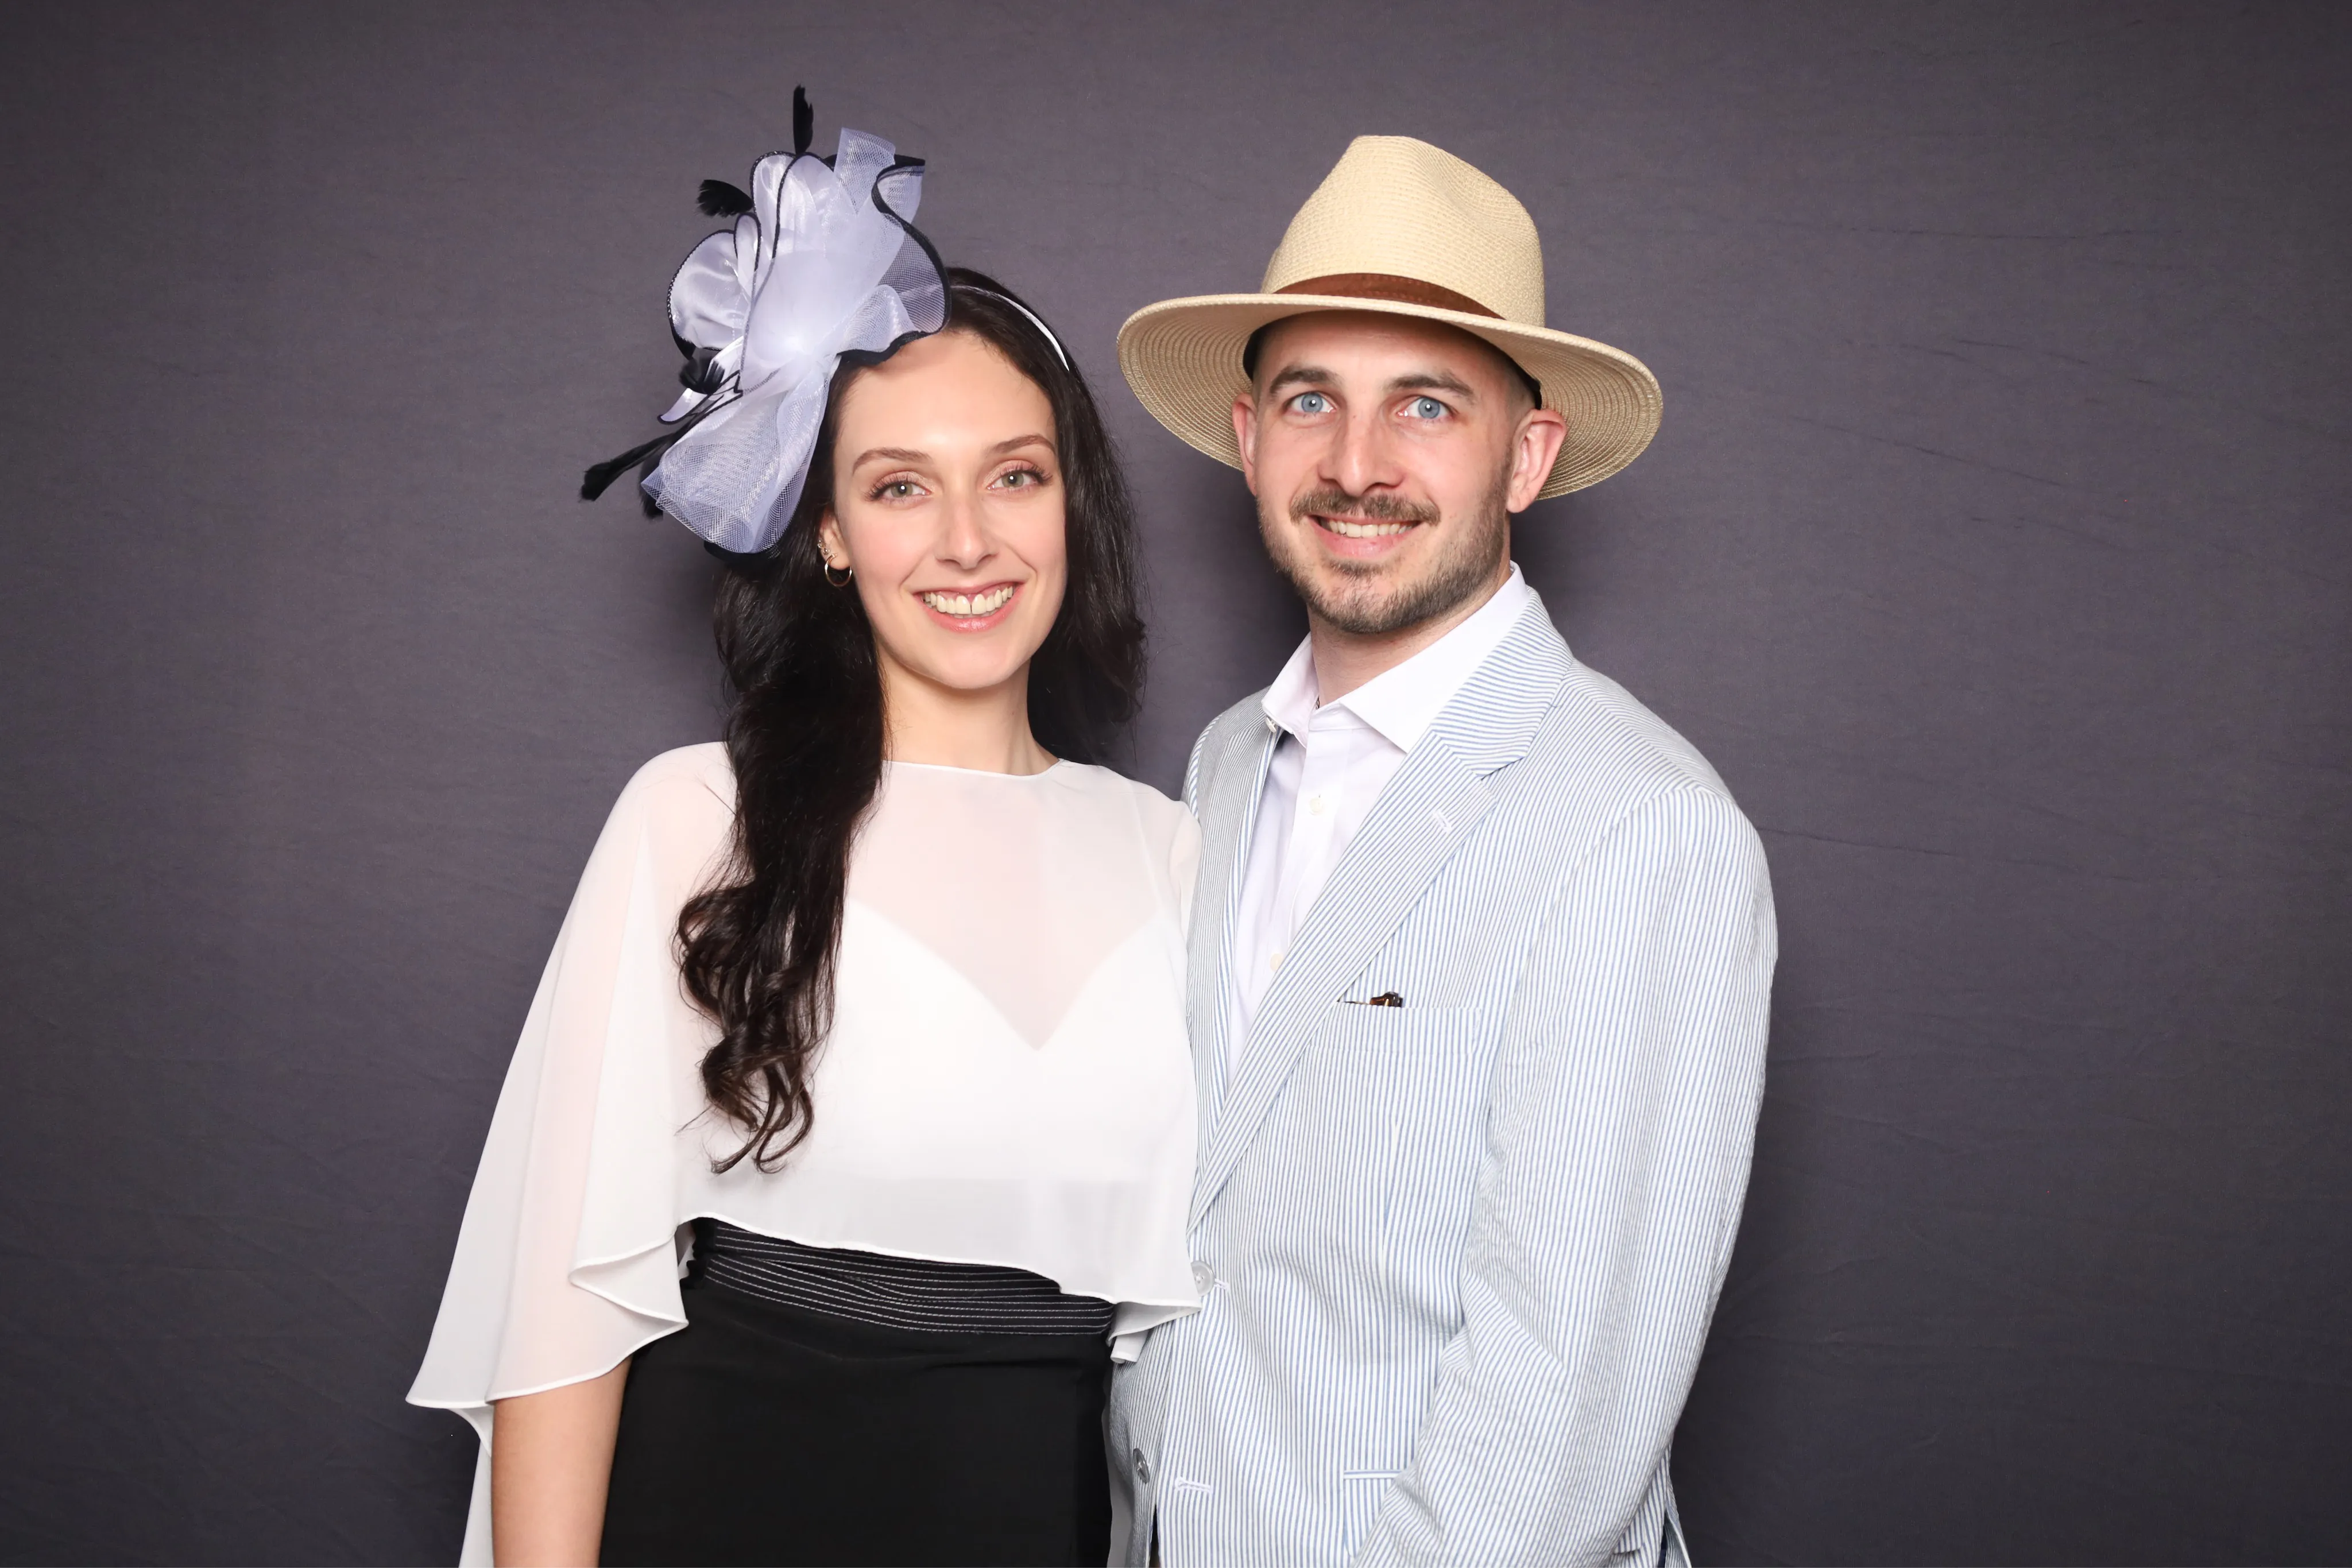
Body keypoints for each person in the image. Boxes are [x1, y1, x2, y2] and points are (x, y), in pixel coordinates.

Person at [408, 113, 1200, 1568]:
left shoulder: (1175, 855)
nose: (966, 540)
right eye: (899, 486)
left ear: (1068, 503)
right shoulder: (695, 820)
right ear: (828, 530)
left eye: (1014, 475)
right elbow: (563, 1305)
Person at [1104, 136, 1779, 1567]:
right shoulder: (1222, 764)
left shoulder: (1637, 827)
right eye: (1311, 400)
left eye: (1425, 404)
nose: (1356, 465)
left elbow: (1563, 1414)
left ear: (1525, 456)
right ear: (1247, 435)